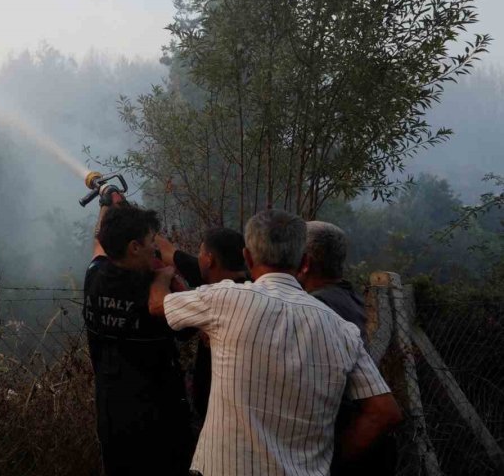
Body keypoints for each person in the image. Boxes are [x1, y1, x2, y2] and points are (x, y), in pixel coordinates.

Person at [155, 209, 402, 476]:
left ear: (248, 257)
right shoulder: (343, 329)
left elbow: (159, 305)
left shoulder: (226, 300)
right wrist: (331, 460)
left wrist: (161, 277)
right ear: (303, 261)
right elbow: (384, 411)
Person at [83, 199, 193, 476]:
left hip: (111, 413)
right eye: (149, 241)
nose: (154, 247)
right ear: (134, 247)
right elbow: (188, 329)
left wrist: (106, 202)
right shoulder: (152, 291)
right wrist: (164, 279)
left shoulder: (95, 275)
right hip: (159, 422)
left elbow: (99, 246)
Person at [299, 221, 397, 475]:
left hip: (350, 444)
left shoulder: (317, 309)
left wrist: (334, 461)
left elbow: (381, 411)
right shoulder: (347, 297)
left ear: (305, 262)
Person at [157, 228, 247, 420]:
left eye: (200, 253)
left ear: (209, 260)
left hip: (217, 410)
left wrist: (162, 277)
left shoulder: (212, 298)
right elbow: (170, 253)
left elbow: (158, 304)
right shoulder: (255, 288)